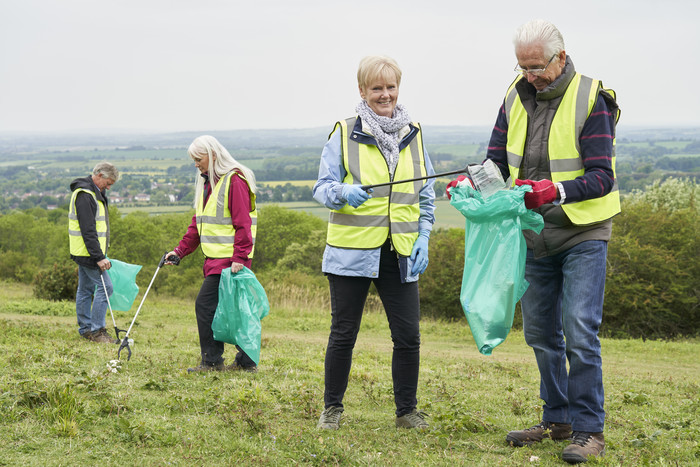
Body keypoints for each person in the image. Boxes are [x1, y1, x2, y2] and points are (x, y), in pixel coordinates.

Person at [483, 20, 620, 463]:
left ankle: (588, 431)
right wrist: (473, 185)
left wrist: (555, 190)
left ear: (560, 58)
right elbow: (495, 162)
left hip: (582, 231)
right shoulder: (513, 95)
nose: (529, 75)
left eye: (537, 66)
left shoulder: (591, 98)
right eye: (523, 67)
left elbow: (602, 176)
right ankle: (556, 418)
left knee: (578, 330)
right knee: (541, 334)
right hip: (534, 231)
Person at [313, 55, 436, 431]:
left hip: (399, 254)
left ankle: (406, 412)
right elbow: (321, 188)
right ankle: (331, 410)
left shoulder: (413, 133)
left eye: (391, 87)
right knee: (343, 334)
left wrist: (424, 238)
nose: (385, 95)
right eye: (377, 88)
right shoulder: (345, 132)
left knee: (408, 336)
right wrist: (341, 192)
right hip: (351, 254)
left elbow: (426, 194)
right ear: (363, 91)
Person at [165, 135, 258, 373]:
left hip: (230, 262)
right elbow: (197, 225)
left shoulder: (234, 181)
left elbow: (243, 224)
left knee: (205, 306)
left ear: (213, 155)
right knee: (233, 310)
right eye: (193, 160)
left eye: (199, 158)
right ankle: (246, 363)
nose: (196, 164)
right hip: (216, 261)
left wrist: (239, 258)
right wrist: (179, 252)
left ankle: (212, 362)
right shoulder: (207, 183)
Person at [69, 161, 120, 344]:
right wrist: (99, 257)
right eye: (108, 182)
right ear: (99, 175)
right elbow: (88, 230)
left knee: (85, 289)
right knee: (106, 287)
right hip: (88, 253)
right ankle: (97, 331)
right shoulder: (85, 195)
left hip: (84, 251)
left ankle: (85, 329)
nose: (109, 186)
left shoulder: (95, 192)